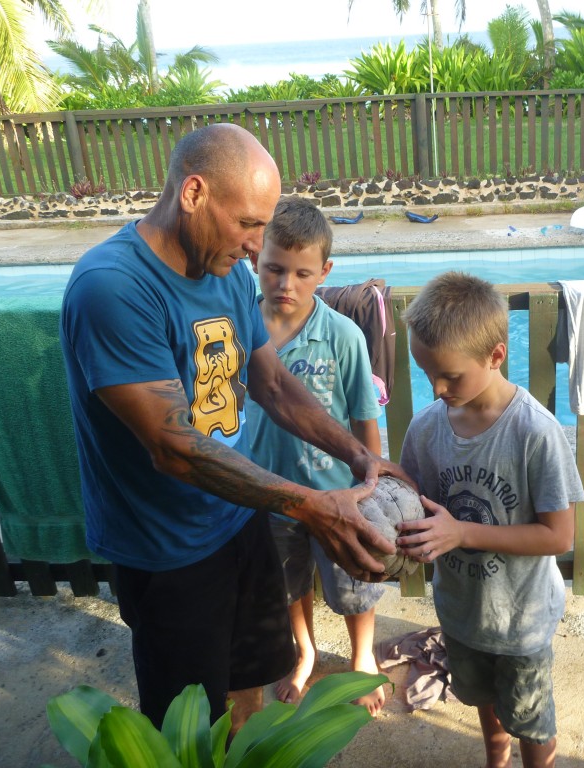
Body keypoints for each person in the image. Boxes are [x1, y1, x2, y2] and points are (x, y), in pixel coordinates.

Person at [59, 123, 405, 732]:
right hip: (167, 549)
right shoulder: (113, 288)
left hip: (242, 520)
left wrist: (358, 456)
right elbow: (174, 448)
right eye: (247, 224)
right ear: (194, 193)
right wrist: (310, 506)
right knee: (190, 725)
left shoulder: (227, 272)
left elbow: (271, 384)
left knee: (251, 682)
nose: (255, 246)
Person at [394, 272, 584, 768]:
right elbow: (416, 506)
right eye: (426, 372)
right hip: (461, 612)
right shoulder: (426, 429)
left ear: (496, 355)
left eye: (451, 376)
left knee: (531, 720)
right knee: (482, 699)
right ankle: (494, 760)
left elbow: (559, 536)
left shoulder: (535, 433)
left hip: (521, 622)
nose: (437, 388)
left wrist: (462, 532)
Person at [243, 196, 387, 714]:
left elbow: (364, 421)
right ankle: (304, 652)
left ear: (324, 272)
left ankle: (362, 656)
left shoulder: (342, 336)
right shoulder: (241, 327)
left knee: (352, 584)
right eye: (274, 269)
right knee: (289, 584)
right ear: (255, 260)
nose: (286, 284)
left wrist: (369, 495)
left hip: (337, 495)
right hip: (272, 494)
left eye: (302, 273)